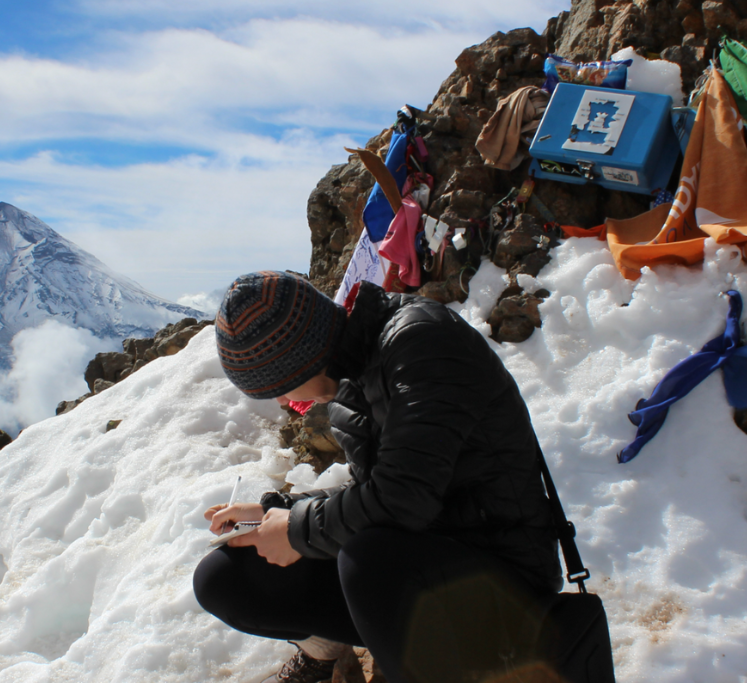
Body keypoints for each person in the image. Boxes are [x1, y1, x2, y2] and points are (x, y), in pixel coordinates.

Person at [194, 271, 563, 683]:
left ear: (303, 355)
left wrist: (297, 531)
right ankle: (336, 652)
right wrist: (274, 511)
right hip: (417, 558)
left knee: (367, 560)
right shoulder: (349, 380)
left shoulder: (423, 343)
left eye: (279, 386)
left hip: (502, 574)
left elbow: (403, 500)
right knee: (225, 579)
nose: (283, 401)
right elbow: (375, 489)